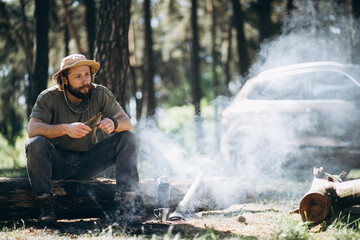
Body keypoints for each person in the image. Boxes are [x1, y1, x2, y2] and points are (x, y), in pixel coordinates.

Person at [26, 54, 142, 225]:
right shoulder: (48, 97)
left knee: (127, 138)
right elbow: (32, 129)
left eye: (87, 74)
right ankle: (45, 206)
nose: (85, 80)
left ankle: (126, 205)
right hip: (57, 163)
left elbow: (127, 123)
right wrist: (65, 129)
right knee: (35, 144)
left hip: (88, 162)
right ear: (64, 80)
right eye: (78, 76)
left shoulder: (100, 93)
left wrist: (114, 123)